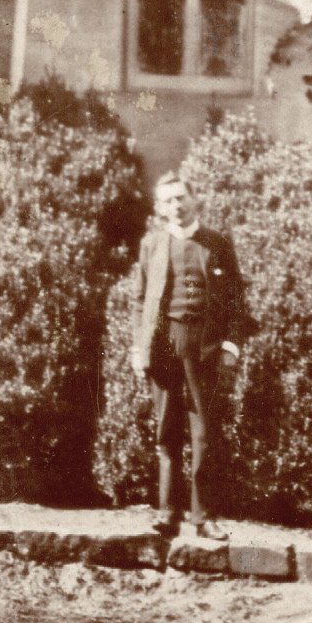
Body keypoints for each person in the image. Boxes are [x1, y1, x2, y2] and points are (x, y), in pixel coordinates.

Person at [130, 174, 242, 540]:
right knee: (166, 429)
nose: (176, 206)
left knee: (204, 432)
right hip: (164, 343)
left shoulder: (217, 244)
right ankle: (167, 513)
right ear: (160, 208)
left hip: (205, 346)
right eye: (168, 201)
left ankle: (203, 516)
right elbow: (138, 298)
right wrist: (138, 346)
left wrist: (230, 346)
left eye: (181, 198)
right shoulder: (152, 244)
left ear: (194, 198)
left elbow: (236, 301)